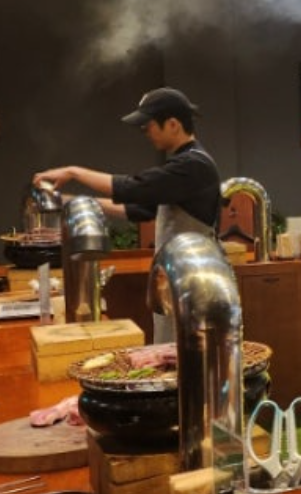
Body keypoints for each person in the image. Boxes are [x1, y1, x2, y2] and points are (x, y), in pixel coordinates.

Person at [33, 87, 221, 343]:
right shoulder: (184, 163)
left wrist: (74, 172)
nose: (145, 132)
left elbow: (133, 187)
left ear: (173, 124)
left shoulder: (194, 165)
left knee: (185, 355)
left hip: (192, 285)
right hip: (177, 282)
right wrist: (72, 201)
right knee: (171, 351)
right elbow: (138, 209)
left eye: (148, 126)